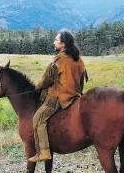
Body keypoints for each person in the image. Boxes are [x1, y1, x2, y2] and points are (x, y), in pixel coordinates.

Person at [28, 29, 86, 162]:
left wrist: (37, 88)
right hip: (75, 95)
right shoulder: (78, 59)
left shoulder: (58, 60)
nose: (54, 42)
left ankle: (44, 152)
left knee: (38, 118)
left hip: (59, 97)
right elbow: (82, 78)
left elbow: (45, 80)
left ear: (63, 44)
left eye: (56, 40)